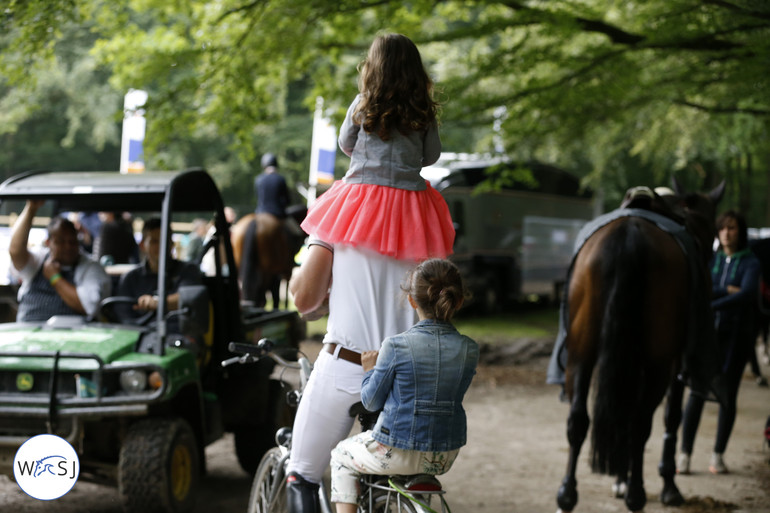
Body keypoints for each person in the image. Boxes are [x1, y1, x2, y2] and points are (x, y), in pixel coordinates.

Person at [285, 33, 455, 513]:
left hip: (346, 366)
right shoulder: (426, 221)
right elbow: (431, 157)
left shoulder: (344, 213)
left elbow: (344, 142)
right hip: (412, 378)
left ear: (370, 70)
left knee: (302, 471)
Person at [329, 259, 478, 513]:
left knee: (341, 456)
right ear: (459, 301)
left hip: (397, 449)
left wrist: (370, 370)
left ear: (411, 301)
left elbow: (371, 402)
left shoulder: (396, 346)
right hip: (443, 455)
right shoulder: (469, 349)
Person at [678, 210, 761, 475]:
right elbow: (700, 288)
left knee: (728, 394)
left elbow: (747, 294)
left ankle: (718, 454)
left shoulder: (751, 263)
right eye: (723, 228)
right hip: (707, 337)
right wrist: (726, 291)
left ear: (740, 232)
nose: (727, 233)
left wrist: (712, 302)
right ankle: (684, 454)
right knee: (697, 393)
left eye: (733, 228)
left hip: (736, 338)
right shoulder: (710, 260)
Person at [9, 200, 111, 322]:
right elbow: (15, 250)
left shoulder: (91, 267)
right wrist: (31, 208)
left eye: (72, 242)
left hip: (75, 335)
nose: (68, 247)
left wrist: (55, 278)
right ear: (48, 243)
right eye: (61, 242)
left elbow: (88, 306)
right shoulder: (38, 260)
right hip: (28, 330)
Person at [116, 217, 202, 324]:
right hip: (140, 333)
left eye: (164, 241)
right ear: (142, 245)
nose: (160, 247)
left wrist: (157, 303)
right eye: (154, 241)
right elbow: (124, 317)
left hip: (176, 334)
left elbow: (189, 297)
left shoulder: (187, 271)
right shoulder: (130, 278)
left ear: (172, 244)